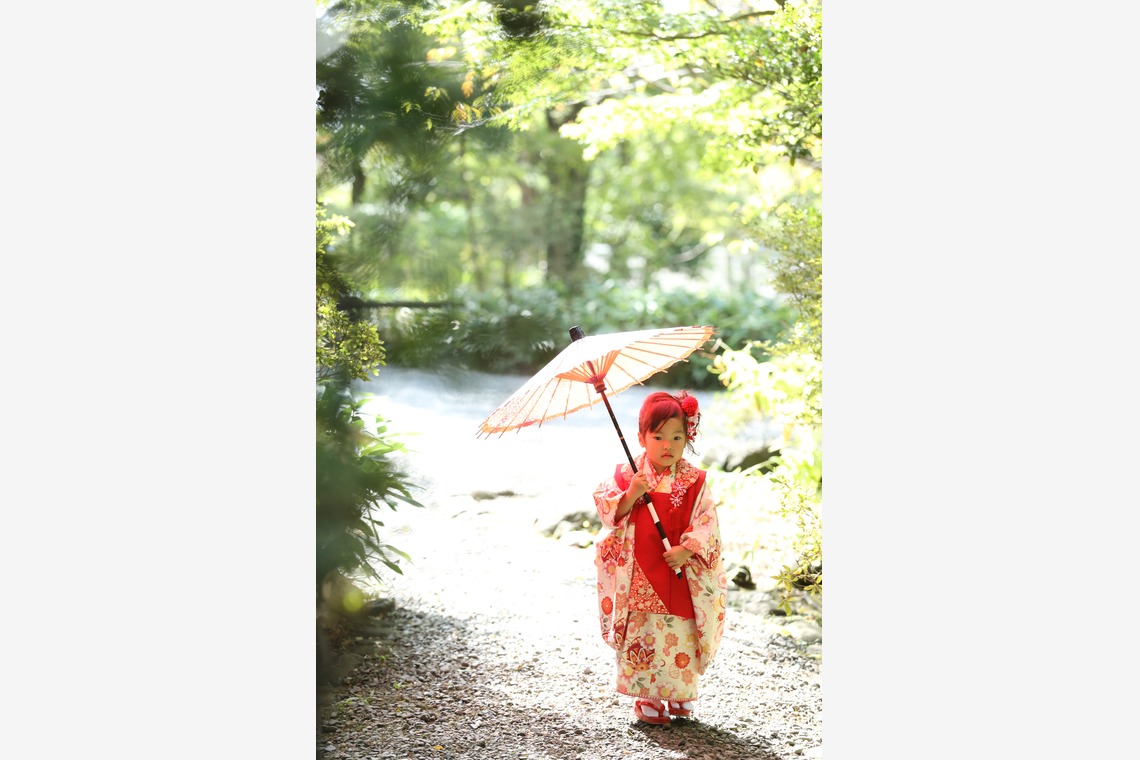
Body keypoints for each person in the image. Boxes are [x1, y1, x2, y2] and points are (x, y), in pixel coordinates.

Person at [592, 390, 728, 725]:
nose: (668, 445)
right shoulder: (627, 475)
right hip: (640, 568)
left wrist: (687, 549)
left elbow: (707, 521)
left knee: (680, 631)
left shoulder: (694, 481)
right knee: (643, 631)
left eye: (677, 437)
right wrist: (632, 493)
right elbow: (609, 512)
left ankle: (680, 694)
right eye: (658, 437)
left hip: (679, 568)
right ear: (641, 438)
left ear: (688, 438)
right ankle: (646, 696)